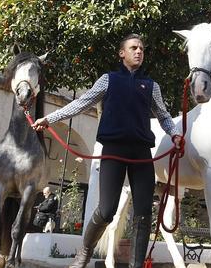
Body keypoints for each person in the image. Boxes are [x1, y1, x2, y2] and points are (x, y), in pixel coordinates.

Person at [32, 34, 182, 268]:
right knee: (106, 210)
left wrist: (175, 134)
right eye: (133, 48)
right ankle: (84, 252)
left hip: (142, 152)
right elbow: (81, 104)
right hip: (113, 149)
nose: (139, 51)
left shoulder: (152, 86)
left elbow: (163, 116)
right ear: (122, 53)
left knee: (143, 213)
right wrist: (50, 118)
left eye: (142, 48)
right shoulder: (108, 80)